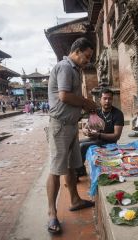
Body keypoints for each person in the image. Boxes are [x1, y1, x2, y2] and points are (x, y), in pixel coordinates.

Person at [46, 37, 98, 234]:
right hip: (59, 126)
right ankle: (52, 213)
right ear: (77, 51)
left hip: (70, 125)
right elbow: (64, 96)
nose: (87, 60)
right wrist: (86, 102)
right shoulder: (66, 67)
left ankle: (75, 200)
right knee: (55, 169)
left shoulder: (75, 69)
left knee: (70, 165)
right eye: (86, 56)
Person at [76, 88, 124, 179]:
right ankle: (81, 169)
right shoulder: (96, 112)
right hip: (96, 138)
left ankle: (77, 173)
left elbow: (116, 136)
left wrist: (98, 135)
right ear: (100, 100)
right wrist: (85, 131)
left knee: (82, 146)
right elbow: (86, 126)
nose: (107, 101)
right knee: (76, 143)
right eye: (105, 98)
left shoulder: (118, 114)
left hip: (109, 143)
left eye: (110, 99)